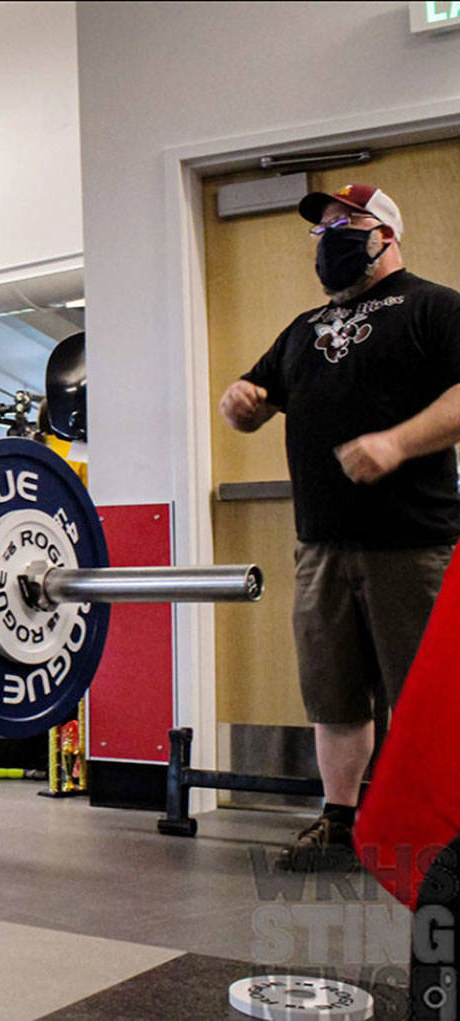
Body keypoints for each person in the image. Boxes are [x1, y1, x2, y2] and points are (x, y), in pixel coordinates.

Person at [219, 184, 460, 871]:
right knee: (334, 695)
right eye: (320, 229)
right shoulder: (302, 329)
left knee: (427, 700)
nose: (329, 238)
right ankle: (340, 821)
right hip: (321, 546)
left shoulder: (435, 307)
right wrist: (241, 402)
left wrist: (398, 443)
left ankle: (441, 832)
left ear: (385, 233)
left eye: (345, 223)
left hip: (412, 544)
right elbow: (252, 402)